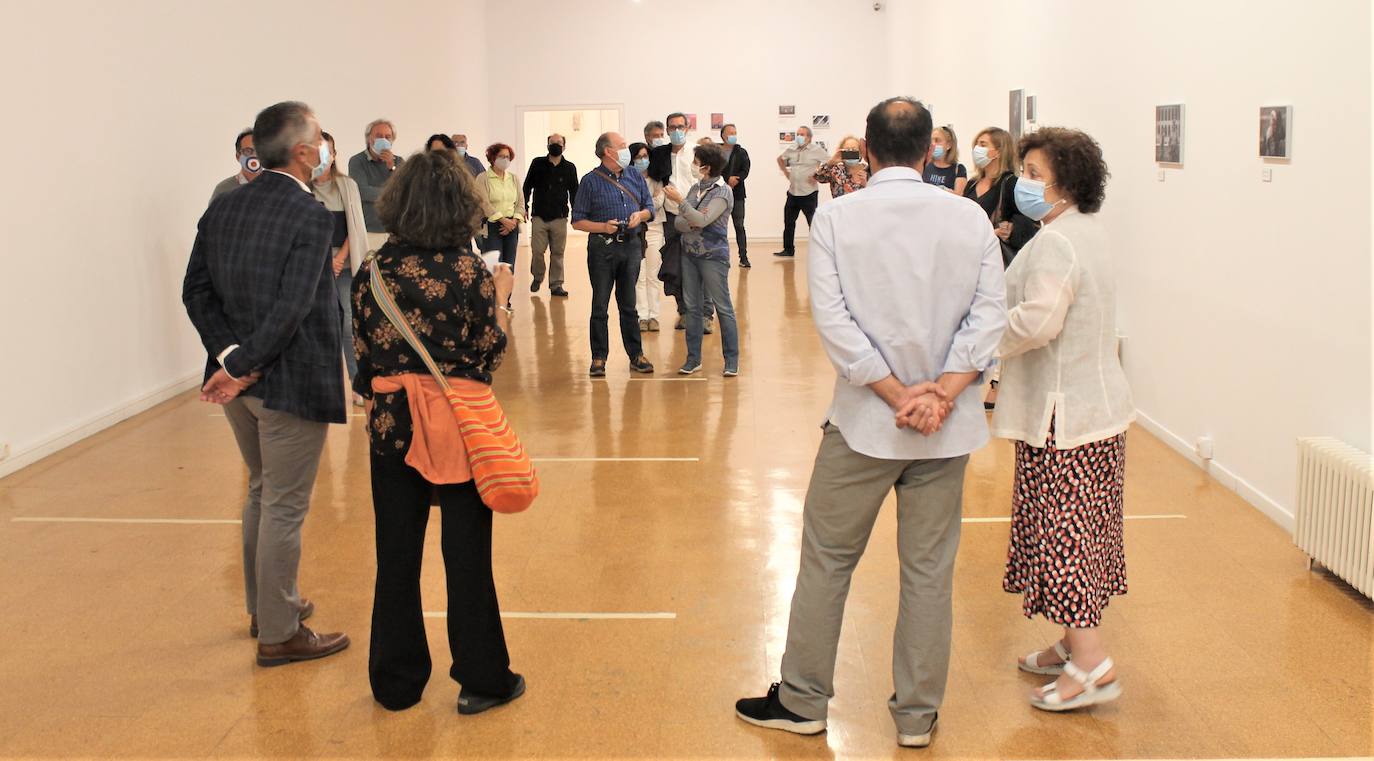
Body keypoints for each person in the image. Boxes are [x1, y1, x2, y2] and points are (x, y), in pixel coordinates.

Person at [736, 97, 1006, 750]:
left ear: (871, 152)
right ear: (927, 152)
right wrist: (939, 396)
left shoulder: (839, 220)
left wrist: (894, 395)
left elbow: (836, 325)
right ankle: (916, 715)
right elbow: (989, 317)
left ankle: (802, 699)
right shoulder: (969, 219)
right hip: (946, 432)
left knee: (829, 559)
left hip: (862, 425)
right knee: (928, 571)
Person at [350, 148, 525, 715]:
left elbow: (361, 356)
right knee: (467, 555)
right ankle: (482, 677)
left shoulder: (371, 271)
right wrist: (501, 300)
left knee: (395, 554)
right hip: (457, 428)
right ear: (461, 207)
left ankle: (396, 683)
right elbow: (489, 353)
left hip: (392, 426)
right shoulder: (471, 272)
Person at [182, 100, 351, 667]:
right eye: (319, 144)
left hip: (240, 385)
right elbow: (296, 306)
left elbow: (196, 293)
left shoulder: (225, 207)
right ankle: (279, 634)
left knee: (260, 491)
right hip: (288, 381)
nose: (325, 153)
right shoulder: (309, 216)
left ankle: (267, 607)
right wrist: (246, 363)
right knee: (283, 504)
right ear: (305, 153)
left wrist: (230, 361)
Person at [991, 127, 1134, 712]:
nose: (1022, 183)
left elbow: (1038, 322)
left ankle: (1093, 665)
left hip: (1065, 419)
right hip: (1094, 412)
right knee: (1083, 536)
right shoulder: (1083, 232)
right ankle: (1072, 643)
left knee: (1067, 540)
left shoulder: (1057, 243)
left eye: (1032, 174)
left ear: (1065, 183)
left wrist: (977, 339)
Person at [571, 132, 656, 377]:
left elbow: (649, 208)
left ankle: (636, 354)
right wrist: (603, 227)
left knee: (629, 305)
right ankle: (599, 358)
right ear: (608, 151)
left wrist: (639, 216)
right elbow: (577, 221)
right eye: (622, 146)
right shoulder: (590, 181)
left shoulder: (634, 176)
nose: (626, 149)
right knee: (600, 305)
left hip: (630, 247)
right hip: (602, 249)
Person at [964, 126, 1036, 409]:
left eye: (983, 144)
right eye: (977, 143)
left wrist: (1009, 228)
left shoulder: (1010, 184)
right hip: (971, 262)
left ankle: (997, 384)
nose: (978, 149)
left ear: (998, 150)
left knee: (997, 321)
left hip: (998, 262)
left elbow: (1028, 223)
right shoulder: (972, 184)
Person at [311, 131, 369, 405]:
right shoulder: (300, 187)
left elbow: (354, 226)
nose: (323, 156)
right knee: (315, 326)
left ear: (335, 154)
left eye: (327, 150)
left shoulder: (347, 186)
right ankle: (318, 386)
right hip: (311, 269)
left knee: (347, 324)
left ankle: (357, 383)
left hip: (342, 266)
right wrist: (323, 261)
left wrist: (338, 259)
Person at [673, 143, 741, 377]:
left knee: (723, 308)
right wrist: (691, 217)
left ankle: (731, 360)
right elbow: (679, 223)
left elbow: (702, 220)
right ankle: (693, 359)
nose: (693, 165)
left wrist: (683, 206)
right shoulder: (695, 188)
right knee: (692, 307)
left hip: (713, 257)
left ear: (707, 166)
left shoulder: (723, 191)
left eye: (696, 160)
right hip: (689, 254)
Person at [649, 112, 714, 332]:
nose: (676, 130)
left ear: (687, 128)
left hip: (696, 216)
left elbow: (710, 182)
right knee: (676, 267)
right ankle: (684, 311)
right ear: (667, 130)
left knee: (702, 265)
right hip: (671, 218)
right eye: (672, 127)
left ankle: (706, 314)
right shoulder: (660, 154)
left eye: (680, 126)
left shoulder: (699, 152)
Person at [523, 133, 578, 297]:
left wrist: (577, 213)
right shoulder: (537, 163)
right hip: (539, 215)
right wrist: (524, 206)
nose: (555, 145)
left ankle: (556, 285)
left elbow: (575, 192)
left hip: (560, 217)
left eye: (559, 142)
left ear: (564, 146)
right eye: (552, 142)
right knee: (537, 251)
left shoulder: (570, 168)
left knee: (558, 253)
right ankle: (538, 277)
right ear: (547, 145)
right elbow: (527, 187)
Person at [475, 143, 528, 296]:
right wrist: (503, 220)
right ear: (492, 158)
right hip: (492, 226)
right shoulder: (483, 178)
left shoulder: (513, 178)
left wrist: (514, 222)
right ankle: (493, 300)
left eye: (507, 157)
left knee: (509, 265)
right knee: (494, 265)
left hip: (512, 226)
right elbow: (483, 202)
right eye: (501, 156)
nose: (505, 159)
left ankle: (506, 299)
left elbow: (520, 203)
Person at [348, 119, 404, 253]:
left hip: (395, 230)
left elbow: (404, 193)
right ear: (369, 139)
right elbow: (362, 192)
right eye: (378, 136)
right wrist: (392, 194)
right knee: (369, 272)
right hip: (369, 230)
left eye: (387, 137)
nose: (383, 140)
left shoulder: (399, 162)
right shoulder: (357, 161)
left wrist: (392, 167)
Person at [774, 126, 828, 257]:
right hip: (793, 192)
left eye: (802, 134)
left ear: (809, 137)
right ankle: (788, 250)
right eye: (798, 134)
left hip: (809, 193)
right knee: (789, 223)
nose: (799, 136)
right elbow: (780, 159)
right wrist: (786, 172)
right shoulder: (792, 148)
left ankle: (819, 251)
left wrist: (818, 174)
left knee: (813, 223)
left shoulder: (817, 150)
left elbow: (829, 162)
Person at [629, 141, 665, 332]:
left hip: (655, 230)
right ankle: (642, 316)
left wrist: (646, 204)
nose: (642, 160)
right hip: (635, 232)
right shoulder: (628, 179)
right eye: (638, 157)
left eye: (645, 156)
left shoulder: (657, 179)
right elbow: (632, 204)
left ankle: (654, 316)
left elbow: (658, 202)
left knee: (652, 275)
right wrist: (649, 203)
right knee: (639, 276)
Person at [719, 124, 752, 268]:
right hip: (719, 195)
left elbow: (746, 169)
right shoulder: (716, 151)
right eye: (730, 133)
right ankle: (721, 256)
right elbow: (714, 170)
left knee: (739, 225)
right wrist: (727, 180)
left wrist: (737, 178)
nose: (733, 135)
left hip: (737, 194)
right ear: (723, 135)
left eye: (735, 132)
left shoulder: (741, 152)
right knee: (720, 227)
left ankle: (743, 257)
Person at [210, 128, 261, 201]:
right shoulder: (224, 189)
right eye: (248, 151)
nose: (254, 155)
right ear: (238, 156)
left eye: (259, 150)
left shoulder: (275, 187)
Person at [923, 125, 967, 195]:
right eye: (931, 141)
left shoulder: (959, 169)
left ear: (949, 145)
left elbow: (959, 197)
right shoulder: (924, 165)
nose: (933, 144)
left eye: (937, 140)